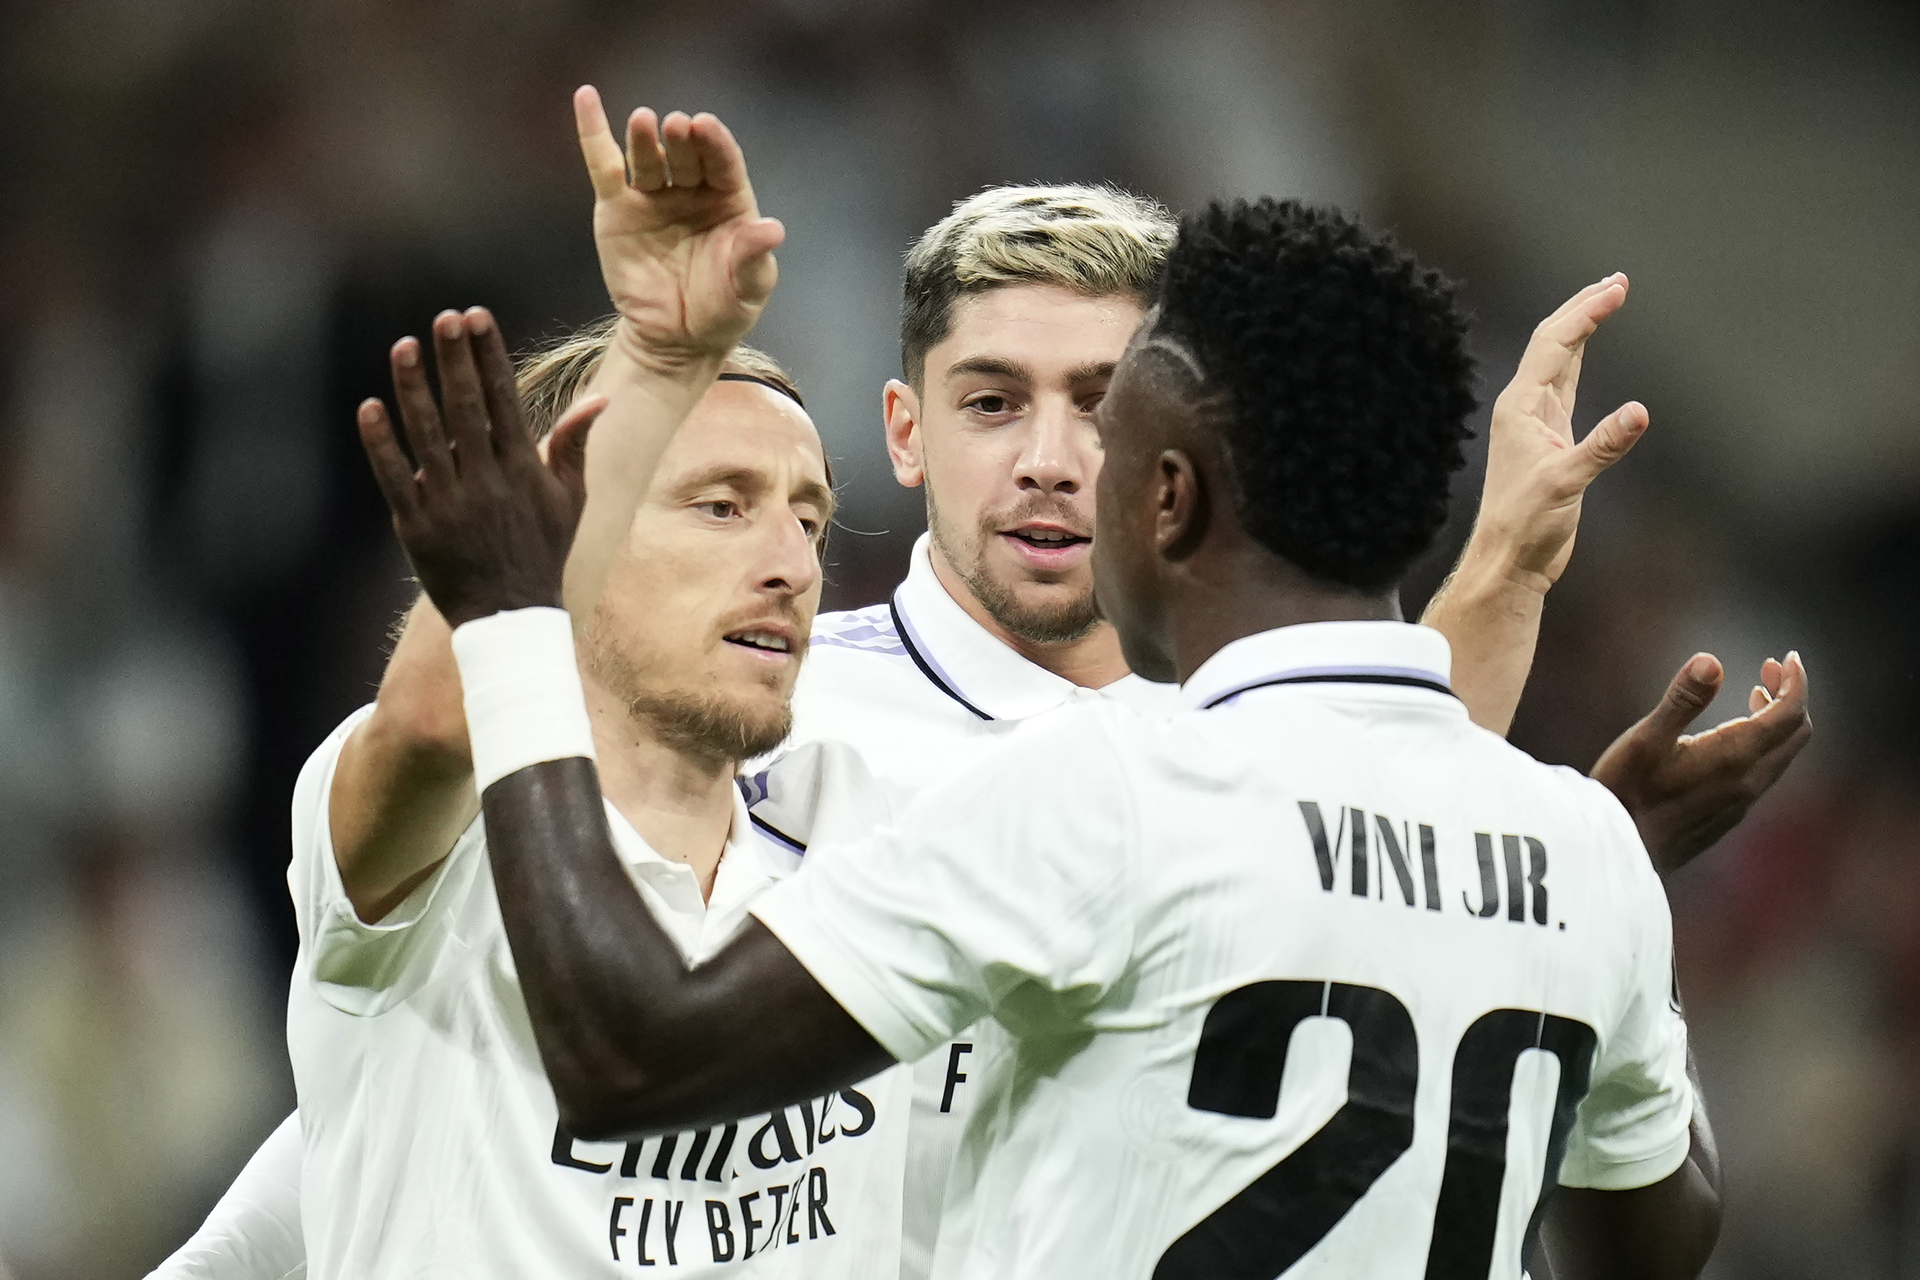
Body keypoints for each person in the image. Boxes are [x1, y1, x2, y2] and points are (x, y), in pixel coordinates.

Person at [148, 92, 1809, 1280]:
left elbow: (1328, 854)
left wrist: (1504, 623)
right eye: (997, 400)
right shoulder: (835, 749)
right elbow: (376, 1097)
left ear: (1173, 455)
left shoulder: (1079, 791)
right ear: (912, 429)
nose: (1055, 460)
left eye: (1101, 402)